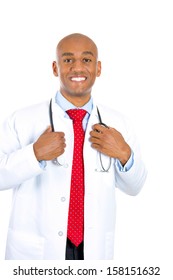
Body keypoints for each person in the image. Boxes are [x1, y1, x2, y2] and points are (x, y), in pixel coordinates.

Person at [0, 33, 147, 260]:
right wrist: (34, 154)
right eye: (68, 60)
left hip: (93, 249)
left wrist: (124, 153)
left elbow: (135, 187)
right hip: (35, 252)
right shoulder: (21, 120)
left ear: (98, 68)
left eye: (86, 60)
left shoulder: (119, 123)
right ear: (55, 68)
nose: (77, 68)